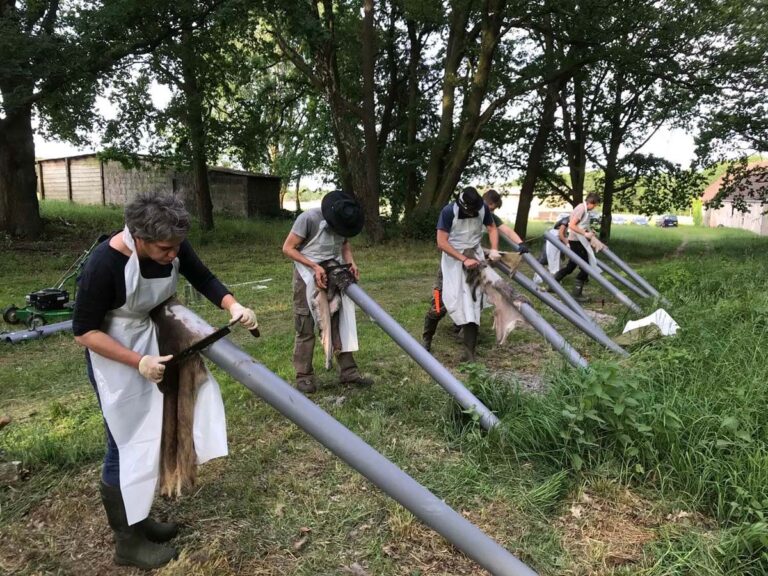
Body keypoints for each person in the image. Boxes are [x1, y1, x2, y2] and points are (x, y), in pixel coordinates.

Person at [73, 193, 258, 570]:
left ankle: (139, 519)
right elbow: (84, 331)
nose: (173, 255)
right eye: (164, 249)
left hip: (153, 339)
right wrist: (138, 361)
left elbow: (202, 276)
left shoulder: (171, 243)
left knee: (152, 432)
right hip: (117, 355)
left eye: (176, 247)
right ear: (138, 237)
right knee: (123, 442)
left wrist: (232, 304)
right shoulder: (104, 264)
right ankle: (127, 542)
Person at [281, 190, 373, 394]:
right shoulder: (308, 219)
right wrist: (314, 267)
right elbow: (288, 248)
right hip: (306, 273)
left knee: (339, 320)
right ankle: (304, 375)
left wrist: (351, 263)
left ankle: (349, 372)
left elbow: (345, 245)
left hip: (334, 270)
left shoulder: (345, 221)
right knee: (306, 323)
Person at [421, 186, 500, 361]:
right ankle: (427, 338)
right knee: (439, 304)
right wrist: (463, 259)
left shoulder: (482, 208)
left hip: (475, 259)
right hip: (451, 261)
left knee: (472, 304)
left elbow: (492, 228)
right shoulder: (449, 212)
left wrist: (494, 249)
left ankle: (469, 353)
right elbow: (441, 242)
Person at [554, 192, 602, 300]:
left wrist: (589, 232)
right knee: (586, 267)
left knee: (571, 266)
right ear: (591, 202)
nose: (594, 208)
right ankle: (576, 294)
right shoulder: (581, 209)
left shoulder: (583, 208)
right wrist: (585, 234)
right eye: (595, 205)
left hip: (577, 240)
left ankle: (552, 284)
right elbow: (571, 225)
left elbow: (580, 225)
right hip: (576, 241)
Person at [532, 214, 569, 286]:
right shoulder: (564, 222)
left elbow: (563, 234)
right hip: (554, 240)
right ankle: (551, 279)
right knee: (550, 260)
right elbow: (561, 234)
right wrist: (567, 244)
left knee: (551, 260)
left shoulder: (556, 229)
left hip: (554, 239)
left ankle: (551, 278)